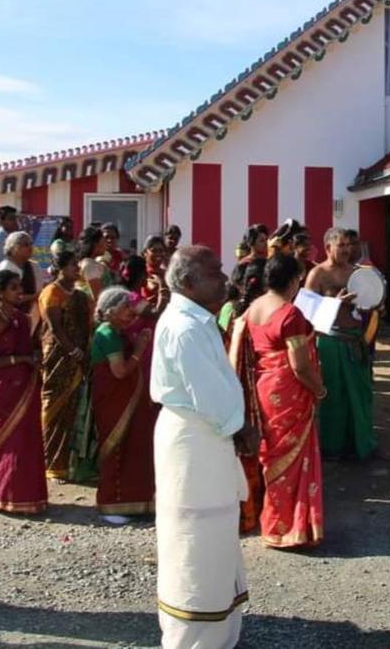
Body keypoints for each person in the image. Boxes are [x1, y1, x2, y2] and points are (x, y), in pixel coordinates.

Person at [151, 246, 257, 648]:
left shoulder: (196, 319)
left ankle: (217, 630)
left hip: (207, 438)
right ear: (190, 282)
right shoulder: (185, 326)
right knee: (195, 535)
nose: (225, 277)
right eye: (215, 271)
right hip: (195, 441)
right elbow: (209, 395)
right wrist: (242, 428)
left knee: (214, 529)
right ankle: (194, 638)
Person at [232, 253, 326, 548]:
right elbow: (299, 366)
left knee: (270, 455)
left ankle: (273, 523)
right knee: (294, 460)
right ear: (294, 280)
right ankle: (289, 529)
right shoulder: (290, 314)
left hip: (262, 388)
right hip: (289, 392)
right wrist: (320, 390)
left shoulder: (251, 309)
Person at [0, 269, 46, 515]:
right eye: (14, 288)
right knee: (3, 441)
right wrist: (21, 359)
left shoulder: (21, 318)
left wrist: (34, 357)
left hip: (24, 386)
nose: (19, 292)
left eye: (20, 287)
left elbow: (32, 346)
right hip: (1, 389)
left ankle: (26, 496)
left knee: (25, 441)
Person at [306, 227, 378, 461]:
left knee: (361, 393)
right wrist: (334, 303)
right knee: (333, 396)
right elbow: (306, 312)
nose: (347, 250)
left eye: (349, 245)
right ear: (328, 247)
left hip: (355, 340)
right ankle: (332, 447)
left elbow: (370, 304)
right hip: (330, 342)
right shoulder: (318, 274)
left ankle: (362, 444)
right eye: (342, 245)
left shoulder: (359, 273)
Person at [90, 286, 158, 523]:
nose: (131, 311)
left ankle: (137, 503)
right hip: (114, 402)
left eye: (131, 306)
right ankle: (112, 504)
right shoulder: (108, 334)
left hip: (130, 400)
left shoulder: (120, 332)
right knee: (116, 449)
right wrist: (139, 349)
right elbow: (119, 372)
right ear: (109, 311)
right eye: (125, 306)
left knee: (135, 447)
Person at [37, 249, 92, 482]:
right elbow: (55, 327)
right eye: (72, 265)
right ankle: (50, 463)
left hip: (78, 355)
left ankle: (67, 464)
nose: (76, 269)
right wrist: (72, 350)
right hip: (59, 356)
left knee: (72, 407)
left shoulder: (79, 294)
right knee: (54, 408)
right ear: (59, 268)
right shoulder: (52, 292)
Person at [221, 256, 268, 533]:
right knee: (254, 450)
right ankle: (254, 510)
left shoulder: (235, 314)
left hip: (234, 389)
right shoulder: (261, 316)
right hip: (256, 390)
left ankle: (242, 512)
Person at [0, 231, 45, 315]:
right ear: (13, 248)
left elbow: (39, 288)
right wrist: (35, 296)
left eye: (31, 244)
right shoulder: (5, 268)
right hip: (9, 315)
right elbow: (8, 297)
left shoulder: (34, 266)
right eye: (25, 245)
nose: (30, 248)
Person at [76, 226, 110, 298]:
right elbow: (98, 295)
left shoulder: (90, 263)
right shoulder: (90, 266)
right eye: (104, 241)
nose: (107, 244)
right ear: (96, 244)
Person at [141, 235, 171, 317]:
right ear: (145, 253)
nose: (158, 254)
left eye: (161, 250)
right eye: (154, 251)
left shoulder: (167, 274)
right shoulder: (141, 273)